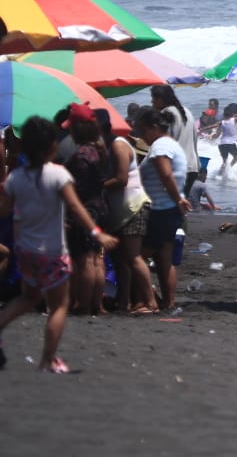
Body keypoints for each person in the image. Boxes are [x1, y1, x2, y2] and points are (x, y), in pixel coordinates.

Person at [0, 116, 119, 372]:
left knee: (28, 298)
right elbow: (76, 207)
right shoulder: (58, 174)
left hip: (25, 251)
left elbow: (4, 211)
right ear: (51, 147)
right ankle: (47, 360)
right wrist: (98, 233)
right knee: (59, 306)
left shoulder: (16, 178)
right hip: (52, 251)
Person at [135, 109, 194, 314]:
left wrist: (178, 199)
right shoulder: (170, 144)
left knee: (137, 258)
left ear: (154, 127)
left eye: (143, 130)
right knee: (164, 259)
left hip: (161, 209)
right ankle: (168, 303)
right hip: (169, 210)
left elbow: (166, 174)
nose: (142, 135)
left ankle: (150, 302)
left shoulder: (160, 146)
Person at [97, 108, 155, 314]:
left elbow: (121, 179)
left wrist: (99, 185)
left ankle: (150, 302)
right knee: (119, 260)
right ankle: (124, 302)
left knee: (133, 257)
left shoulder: (118, 145)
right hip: (120, 211)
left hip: (133, 207)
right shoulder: (105, 146)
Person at [62, 102, 112, 315]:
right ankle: (95, 304)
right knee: (96, 259)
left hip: (86, 210)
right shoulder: (98, 150)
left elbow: (78, 189)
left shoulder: (82, 155)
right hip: (100, 208)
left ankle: (83, 304)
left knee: (84, 260)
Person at [149, 85, 199, 195]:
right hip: (192, 167)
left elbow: (162, 143)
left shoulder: (166, 114)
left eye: (153, 98)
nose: (151, 101)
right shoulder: (186, 111)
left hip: (177, 168)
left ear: (160, 99)